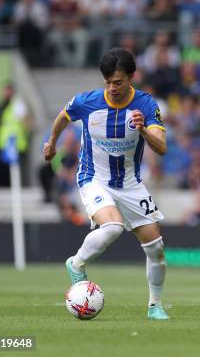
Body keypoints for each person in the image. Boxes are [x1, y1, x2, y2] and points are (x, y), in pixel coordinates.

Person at [42, 48, 169, 320]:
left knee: (156, 248)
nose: (112, 88)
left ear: (131, 78)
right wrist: (52, 142)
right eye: (108, 82)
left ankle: (155, 306)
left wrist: (144, 129)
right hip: (93, 178)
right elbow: (64, 116)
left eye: (118, 82)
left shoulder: (146, 106)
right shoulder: (87, 102)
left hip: (131, 184)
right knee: (112, 227)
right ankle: (76, 264)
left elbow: (162, 148)